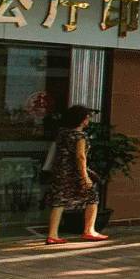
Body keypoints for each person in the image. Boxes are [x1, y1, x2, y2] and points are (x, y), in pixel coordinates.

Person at [45, 104, 107, 245]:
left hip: (60, 171)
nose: (88, 120)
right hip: (74, 172)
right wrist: (85, 177)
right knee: (92, 197)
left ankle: (52, 234)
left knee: (59, 201)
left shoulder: (62, 133)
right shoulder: (80, 136)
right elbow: (80, 157)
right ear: (82, 120)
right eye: (87, 118)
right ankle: (89, 230)